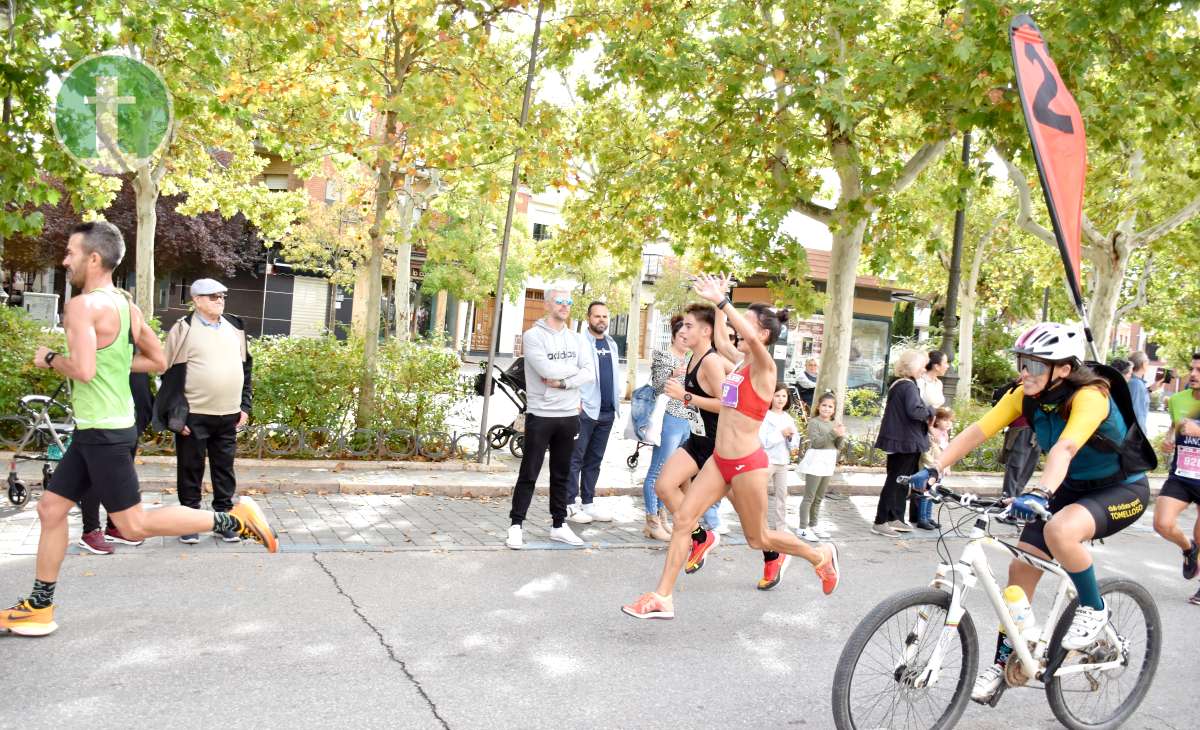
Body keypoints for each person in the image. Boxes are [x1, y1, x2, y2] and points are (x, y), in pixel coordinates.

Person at [0, 222, 276, 638]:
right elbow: (158, 361)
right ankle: (39, 606)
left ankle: (232, 519)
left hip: (105, 431)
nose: (65, 259)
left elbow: (83, 369)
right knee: (51, 509)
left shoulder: (81, 306)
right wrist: (109, 366)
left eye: (71, 252)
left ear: (94, 258)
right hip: (105, 425)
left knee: (132, 526)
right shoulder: (126, 307)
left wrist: (50, 357)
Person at [906, 322, 1151, 705]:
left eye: (1035, 364)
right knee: (1018, 575)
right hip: (1068, 486)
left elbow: (1066, 448)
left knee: (1061, 532)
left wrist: (1039, 491)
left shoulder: (1091, 396)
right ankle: (1008, 664)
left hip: (1121, 488)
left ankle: (1093, 608)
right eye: (1022, 362)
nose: (1024, 371)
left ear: (1063, 369)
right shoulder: (1027, 395)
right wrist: (936, 468)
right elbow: (977, 431)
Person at [622, 274, 839, 619]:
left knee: (759, 538)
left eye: (747, 325)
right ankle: (663, 597)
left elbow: (747, 335)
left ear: (762, 335)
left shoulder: (765, 368)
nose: (739, 333)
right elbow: (722, 335)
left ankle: (819, 556)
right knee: (684, 522)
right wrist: (715, 299)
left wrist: (724, 302)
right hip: (719, 460)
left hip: (747, 464)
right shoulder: (737, 362)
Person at [153, 278, 254, 544]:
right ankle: (189, 521)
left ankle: (224, 520)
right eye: (212, 297)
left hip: (228, 415)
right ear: (196, 300)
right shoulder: (183, 328)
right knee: (190, 470)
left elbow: (246, 368)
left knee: (225, 471)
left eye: (222, 296)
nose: (220, 300)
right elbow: (167, 373)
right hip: (194, 414)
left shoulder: (235, 327)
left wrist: (244, 406)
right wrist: (175, 416)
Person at [505, 288, 595, 549]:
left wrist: (563, 382)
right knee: (529, 472)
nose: (565, 305)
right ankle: (515, 526)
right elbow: (544, 369)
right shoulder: (532, 336)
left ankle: (559, 525)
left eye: (569, 302)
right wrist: (573, 372)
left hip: (569, 416)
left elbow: (589, 372)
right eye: (560, 301)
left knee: (561, 474)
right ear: (547, 304)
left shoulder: (578, 339)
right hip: (541, 414)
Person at [652, 302, 729, 566]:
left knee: (752, 523)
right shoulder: (690, 357)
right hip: (696, 440)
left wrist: (685, 396)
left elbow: (725, 404)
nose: (682, 330)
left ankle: (775, 551)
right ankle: (700, 536)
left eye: (689, 325)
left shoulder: (712, 362)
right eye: (682, 325)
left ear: (706, 331)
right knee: (663, 485)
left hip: (717, 446)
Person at [76, 371, 154, 554]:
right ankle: (90, 531)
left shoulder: (131, 346)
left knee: (119, 475)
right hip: (102, 418)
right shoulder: (97, 343)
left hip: (130, 419)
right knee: (95, 475)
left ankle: (115, 527)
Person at [566, 301, 623, 525]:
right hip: (586, 410)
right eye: (597, 316)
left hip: (608, 411)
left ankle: (588, 503)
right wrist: (576, 400)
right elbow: (572, 372)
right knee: (575, 458)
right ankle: (570, 503)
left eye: (605, 317)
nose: (602, 320)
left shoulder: (611, 344)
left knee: (595, 460)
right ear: (589, 318)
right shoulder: (579, 342)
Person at [1151, 352, 1200, 605]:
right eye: (1192, 369)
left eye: (1199, 370)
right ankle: (1189, 549)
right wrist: (1169, 440)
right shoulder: (1179, 399)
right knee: (1162, 523)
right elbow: (1175, 427)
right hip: (1182, 474)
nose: (1193, 374)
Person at [871, 350, 932, 537]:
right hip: (905, 442)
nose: (924, 369)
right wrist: (931, 410)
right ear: (912, 366)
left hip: (902, 441)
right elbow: (915, 411)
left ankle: (895, 517)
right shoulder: (908, 386)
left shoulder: (902, 385)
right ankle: (880, 521)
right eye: (922, 365)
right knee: (895, 481)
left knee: (902, 481)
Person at [640, 316, 691, 541]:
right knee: (657, 470)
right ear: (673, 336)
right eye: (681, 336)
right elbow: (658, 385)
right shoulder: (663, 355)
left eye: (688, 336)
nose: (685, 340)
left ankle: (662, 518)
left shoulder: (691, 357)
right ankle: (651, 520)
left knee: (670, 474)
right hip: (668, 418)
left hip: (686, 419)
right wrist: (674, 373)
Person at [759, 384, 801, 587]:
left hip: (783, 461)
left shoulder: (787, 417)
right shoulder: (766, 416)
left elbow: (795, 441)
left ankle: (781, 528)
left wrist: (792, 438)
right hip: (767, 461)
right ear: (771, 397)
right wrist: (781, 434)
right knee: (761, 496)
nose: (781, 399)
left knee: (782, 497)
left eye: (784, 396)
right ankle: (761, 527)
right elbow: (764, 441)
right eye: (777, 395)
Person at [796, 391, 846, 542]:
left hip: (828, 461)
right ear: (818, 406)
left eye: (830, 406)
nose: (826, 409)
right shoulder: (814, 422)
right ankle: (802, 528)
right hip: (816, 461)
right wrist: (833, 433)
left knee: (819, 497)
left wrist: (841, 435)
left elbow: (839, 445)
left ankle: (814, 524)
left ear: (834, 409)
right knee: (809, 496)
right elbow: (817, 443)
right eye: (824, 405)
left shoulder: (834, 424)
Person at [917, 407, 953, 530]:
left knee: (933, 493)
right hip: (931, 468)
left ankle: (928, 516)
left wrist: (947, 466)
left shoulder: (945, 434)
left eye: (950, 420)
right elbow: (929, 452)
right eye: (945, 420)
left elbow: (947, 451)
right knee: (926, 492)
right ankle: (922, 518)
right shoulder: (932, 432)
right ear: (936, 421)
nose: (948, 423)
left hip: (940, 470)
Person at [1128, 351, 1161, 433]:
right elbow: (1137, 413)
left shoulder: (1135, 382)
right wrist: (1142, 434)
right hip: (1135, 434)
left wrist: (1150, 389)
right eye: (1147, 362)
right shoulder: (1136, 384)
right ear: (1143, 364)